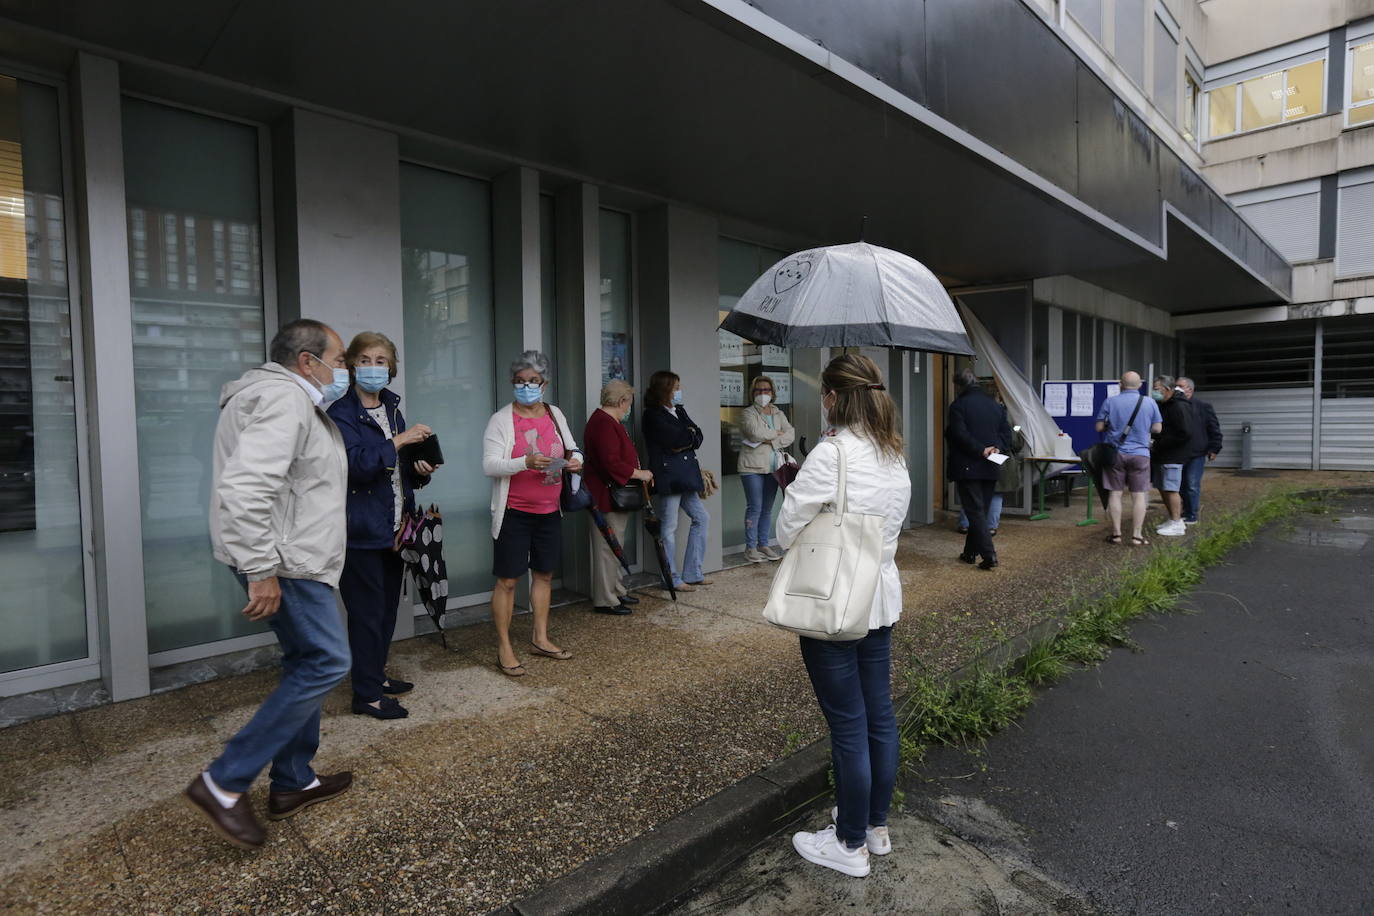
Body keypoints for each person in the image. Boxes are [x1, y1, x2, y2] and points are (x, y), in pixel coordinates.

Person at [184, 318, 354, 850]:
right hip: (288, 562)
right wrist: (260, 569)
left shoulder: (282, 399)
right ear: (309, 360)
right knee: (328, 661)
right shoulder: (283, 400)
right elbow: (245, 487)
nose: (343, 369)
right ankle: (224, 781)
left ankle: (293, 781)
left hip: (292, 556)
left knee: (306, 662)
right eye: (341, 359)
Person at [779, 353, 911, 879]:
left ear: (833, 398)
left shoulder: (832, 454)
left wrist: (794, 484)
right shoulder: (893, 454)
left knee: (849, 725)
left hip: (834, 603)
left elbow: (787, 528)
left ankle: (849, 844)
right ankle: (874, 826)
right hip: (879, 598)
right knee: (878, 714)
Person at [327, 332, 436, 720]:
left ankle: (374, 675)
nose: (374, 368)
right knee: (367, 613)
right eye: (365, 360)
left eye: (381, 361)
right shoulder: (340, 413)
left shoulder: (391, 407)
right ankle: (367, 695)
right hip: (360, 531)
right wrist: (401, 439)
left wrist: (419, 470)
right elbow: (356, 466)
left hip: (395, 528)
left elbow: (397, 469)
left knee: (388, 609)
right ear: (353, 366)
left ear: (391, 368)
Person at [481, 351, 583, 676]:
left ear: (544, 384)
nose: (526, 387)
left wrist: (577, 459)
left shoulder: (554, 413)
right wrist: (523, 463)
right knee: (508, 580)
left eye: (533, 381)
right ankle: (504, 647)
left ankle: (540, 637)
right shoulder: (501, 419)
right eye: (520, 382)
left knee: (544, 575)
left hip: (549, 510)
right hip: (514, 512)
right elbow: (489, 465)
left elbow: (571, 446)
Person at [582, 379, 653, 614]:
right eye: (629, 402)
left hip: (610, 494)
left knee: (614, 547)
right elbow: (611, 462)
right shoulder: (603, 423)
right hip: (605, 496)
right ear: (622, 401)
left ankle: (616, 591)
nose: (629, 408)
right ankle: (605, 599)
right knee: (606, 548)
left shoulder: (607, 421)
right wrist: (640, 473)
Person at [642, 370, 712, 593]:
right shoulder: (652, 415)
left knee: (702, 517)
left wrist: (686, 439)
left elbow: (698, 435)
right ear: (665, 389)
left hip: (686, 476)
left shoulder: (678, 410)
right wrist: (686, 438)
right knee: (669, 526)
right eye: (676, 387)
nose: (679, 391)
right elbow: (677, 439)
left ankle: (693, 572)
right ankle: (670, 576)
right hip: (669, 476)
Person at [945, 368, 1012, 570]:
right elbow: (1006, 435)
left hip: (968, 465)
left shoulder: (958, 405)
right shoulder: (995, 406)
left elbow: (959, 434)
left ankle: (989, 555)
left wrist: (980, 450)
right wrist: (995, 448)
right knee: (979, 510)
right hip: (992, 463)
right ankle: (969, 552)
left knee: (975, 511)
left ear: (958, 386)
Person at [1095, 371, 1163, 546]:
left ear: (1120, 384)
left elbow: (1099, 427)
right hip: (1140, 454)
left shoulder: (1110, 402)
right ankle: (1136, 536)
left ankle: (1116, 534)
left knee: (1115, 493)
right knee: (1139, 495)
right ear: (1140, 385)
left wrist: (1112, 426)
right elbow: (1157, 429)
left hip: (1115, 454)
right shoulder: (1150, 402)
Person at [736, 375, 795, 563]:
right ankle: (750, 547)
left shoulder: (778, 412)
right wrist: (776, 435)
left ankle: (763, 544)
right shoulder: (748, 413)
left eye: (766, 390)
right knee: (755, 507)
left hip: (773, 466)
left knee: (767, 508)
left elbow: (791, 434)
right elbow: (754, 434)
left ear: (773, 393)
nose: (763, 394)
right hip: (751, 466)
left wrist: (772, 438)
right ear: (753, 392)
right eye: (759, 390)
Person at [956, 389, 1024, 537]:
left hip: (974, 457)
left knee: (971, 492)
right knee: (996, 494)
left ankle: (965, 524)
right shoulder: (1006, 415)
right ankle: (990, 526)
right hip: (999, 460)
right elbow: (1016, 442)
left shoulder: (968, 413)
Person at [1150, 375, 1199, 538]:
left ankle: (1177, 522)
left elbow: (1184, 433)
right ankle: (1172, 519)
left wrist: (1160, 442)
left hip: (1173, 455)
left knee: (1171, 488)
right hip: (1161, 454)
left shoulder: (1179, 406)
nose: (1154, 392)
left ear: (1168, 389)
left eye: (1157, 389)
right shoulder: (1163, 404)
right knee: (1162, 487)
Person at [1177, 377, 1222, 524]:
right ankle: (1185, 510)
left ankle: (1192, 514)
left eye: (1180, 386)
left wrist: (1214, 448)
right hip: (1178, 452)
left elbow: (1214, 428)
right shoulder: (1174, 405)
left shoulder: (1203, 406)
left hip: (1197, 452)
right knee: (1180, 485)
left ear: (1190, 389)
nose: (1177, 389)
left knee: (1192, 483)